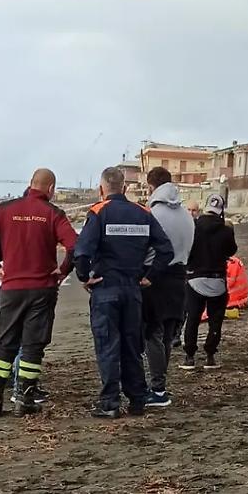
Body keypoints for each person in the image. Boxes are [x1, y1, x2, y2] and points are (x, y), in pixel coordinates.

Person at [0, 168, 77, 417]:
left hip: (11, 288)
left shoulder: (6, 209)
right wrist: (63, 270)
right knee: (32, 345)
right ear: (51, 188)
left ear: (30, 184)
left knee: (5, 344)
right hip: (42, 289)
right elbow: (75, 245)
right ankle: (24, 399)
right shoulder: (53, 213)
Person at [73, 166, 174, 419]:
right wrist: (150, 276)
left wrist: (85, 277)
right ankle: (137, 399)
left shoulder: (98, 212)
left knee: (107, 346)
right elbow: (166, 250)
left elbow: (82, 252)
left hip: (106, 288)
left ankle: (110, 403)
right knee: (132, 346)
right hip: (133, 288)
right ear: (125, 188)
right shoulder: (143, 212)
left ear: (101, 189)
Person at [142, 167, 194, 407]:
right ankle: (160, 386)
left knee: (153, 332)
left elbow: (145, 248)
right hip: (180, 277)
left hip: (156, 276)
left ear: (151, 187)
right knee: (167, 334)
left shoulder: (152, 213)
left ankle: (158, 388)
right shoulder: (186, 215)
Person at [181, 192, 235, 370]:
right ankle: (210, 356)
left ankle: (189, 356)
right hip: (217, 281)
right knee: (215, 320)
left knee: (193, 318)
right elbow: (231, 251)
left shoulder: (193, 227)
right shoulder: (226, 230)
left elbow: (186, 250)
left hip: (195, 279)